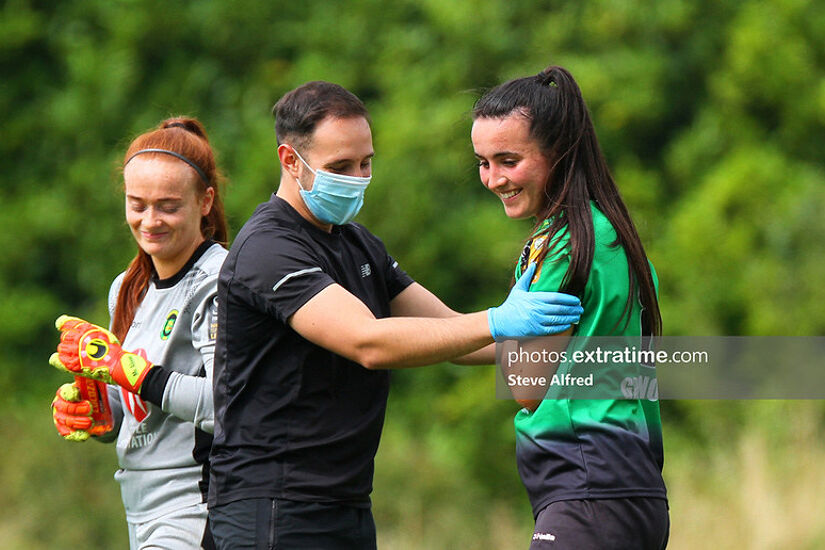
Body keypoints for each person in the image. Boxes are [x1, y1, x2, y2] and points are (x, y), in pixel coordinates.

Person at [207, 81, 583, 549]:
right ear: (290, 161)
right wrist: (498, 318)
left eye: (366, 163)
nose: (358, 177)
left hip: (346, 504)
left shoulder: (358, 242)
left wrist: (581, 348)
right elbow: (369, 342)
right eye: (340, 166)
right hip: (272, 508)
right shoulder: (269, 247)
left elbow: (453, 335)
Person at [471, 65, 669, 549]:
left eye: (508, 161)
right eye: (482, 162)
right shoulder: (613, 233)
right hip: (634, 491)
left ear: (558, 153)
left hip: (586, 491)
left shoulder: (563, 245)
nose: (494, 179)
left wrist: (502, 324)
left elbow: (527, 387)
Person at [49, 117, 229, 550]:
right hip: (138, 505)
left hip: (199, 504)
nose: (150, 221)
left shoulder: (221, 279)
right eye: (137, 204)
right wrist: (98, 411)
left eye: (167, 205)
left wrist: (134, 372)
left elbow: (228, 406)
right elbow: (134, 408)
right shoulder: (126, 286)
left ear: (205, 202)